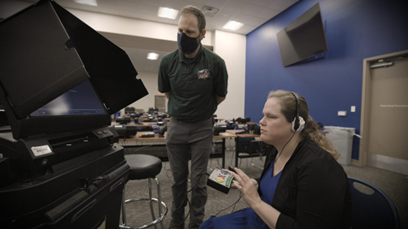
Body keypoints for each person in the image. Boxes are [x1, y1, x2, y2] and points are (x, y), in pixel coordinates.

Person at [200, 90, 351, 229]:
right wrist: (254, 183)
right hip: (264, 217)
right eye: (264, 115)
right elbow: (283, 186)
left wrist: (256, 202)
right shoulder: (276, 148)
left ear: (296, 124)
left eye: (271, 117)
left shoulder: (318, 167)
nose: (261, 122)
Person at [158, 5, 228, 229]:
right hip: (176, 126)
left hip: (202, 128)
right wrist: (184, 111)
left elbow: (219, 96)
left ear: (202, 33)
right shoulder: (167, 62)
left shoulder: (216, 63)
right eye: (180, 31)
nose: (182, 36)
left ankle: (195, 224)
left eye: (189, 32)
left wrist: (199, 111)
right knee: (178, 180)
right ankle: (176, 222)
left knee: (198, 181)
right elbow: (168, 94)